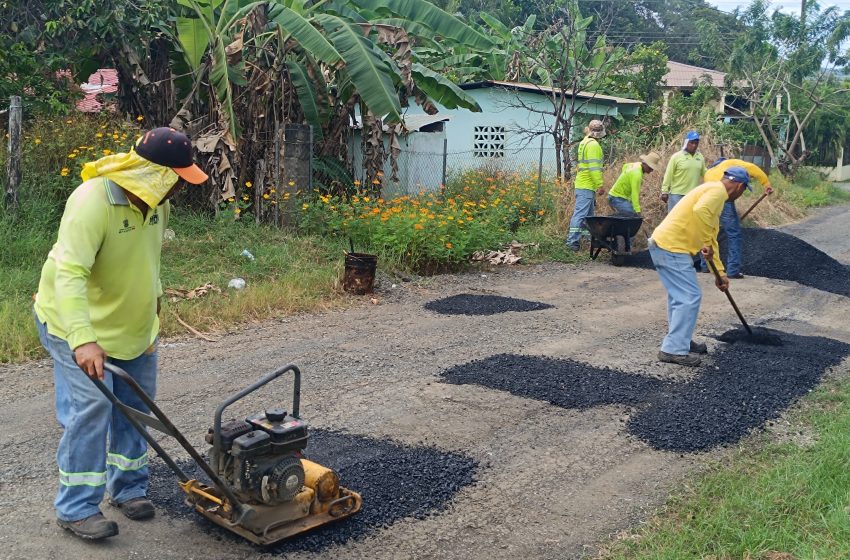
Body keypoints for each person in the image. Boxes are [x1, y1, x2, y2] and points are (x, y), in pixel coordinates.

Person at [33, 127, 208, 540]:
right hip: (73, 325)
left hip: (134, 330)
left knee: (136, 408)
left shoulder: (155, 204)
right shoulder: (92, 201)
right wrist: (82, 340)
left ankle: (128, 487)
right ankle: (76, 508)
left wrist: (153, 312)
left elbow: (146, 265)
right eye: (176, 179)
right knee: (91, 410)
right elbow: (69, 275)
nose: (179, 189)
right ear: (153, 174)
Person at [649, 166, 752, 367]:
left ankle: (681, 341)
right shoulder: (716, 192)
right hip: (671, 247)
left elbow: (711, 238)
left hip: (666, 245)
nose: (740, 195)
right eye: (742, 191)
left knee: (679, 297)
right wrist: (705, 243)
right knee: (689, 296)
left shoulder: (712, 192)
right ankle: (673, 349)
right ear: (739, 186)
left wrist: (719, 274)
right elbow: (701, 212)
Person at [697, 158, 774, 279]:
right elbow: (754, 168)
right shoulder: (731, 164)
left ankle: (705, 266)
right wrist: (766, 184)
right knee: (734, 233)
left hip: (707, 199)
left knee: (708, 232)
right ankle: (733, 269)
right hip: (723, 198)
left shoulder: (709, 172)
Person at [567, 119, 606, 251]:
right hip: (586, 185)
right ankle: (572, 242)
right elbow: (594, 168)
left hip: (584, 184)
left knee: (588, 217)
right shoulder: (593, 145)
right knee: (580, 215)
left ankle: (586, 240)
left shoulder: (584, 142)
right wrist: (600, 185)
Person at [660, 130, 707, 212]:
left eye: (696, 143)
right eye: (692, 143)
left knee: (689, 220)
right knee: (675, 220)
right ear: (686, 142)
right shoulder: (677, 157)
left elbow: (705, 173)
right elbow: (669, 174)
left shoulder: (700, 157)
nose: (694, 145)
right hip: (677, 195)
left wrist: (716, 174)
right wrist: (664, 191)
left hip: (692, 195)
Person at [607, 151, 662, 216]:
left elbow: (625, 166)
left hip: (617, 196)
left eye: (652, 168)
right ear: (645, 163)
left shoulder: (637, 164)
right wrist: (637, 211)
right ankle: (607, 221)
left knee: (626, 216)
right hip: (617, 197)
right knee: (632, 215)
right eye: (650, 168)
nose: (651, 170)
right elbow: (635, 193)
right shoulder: (637, 174)